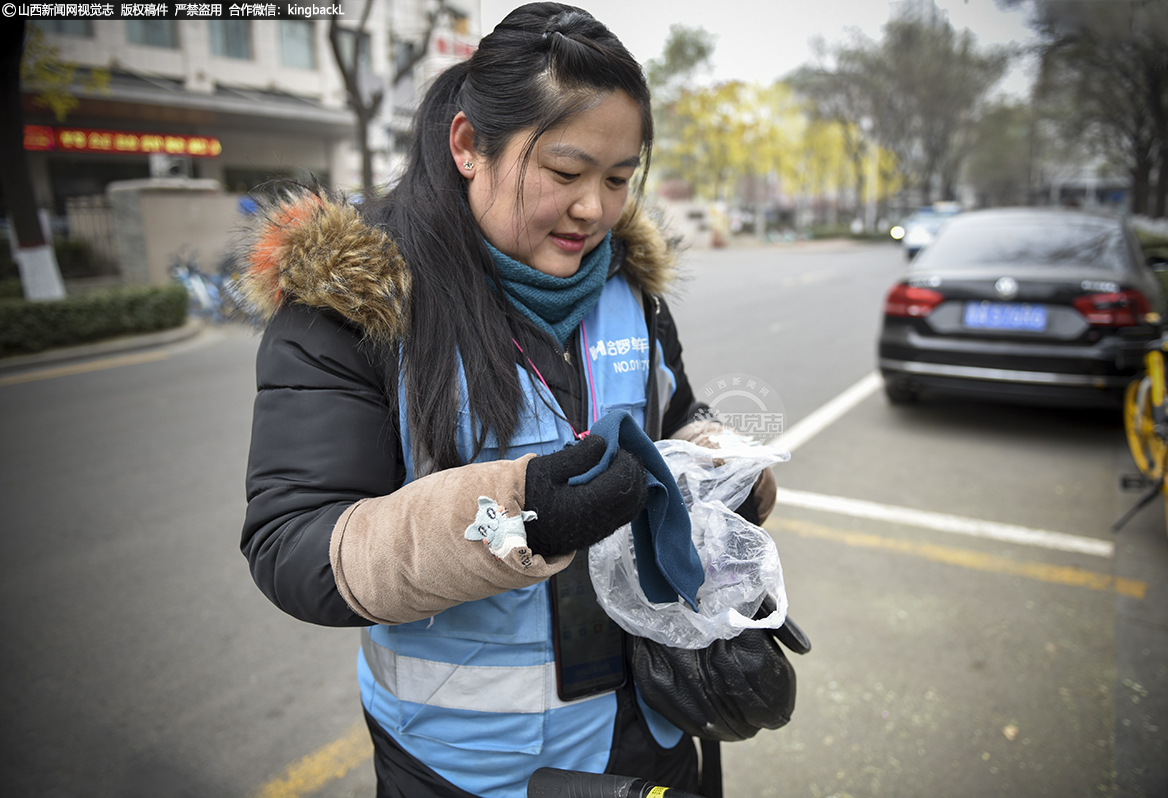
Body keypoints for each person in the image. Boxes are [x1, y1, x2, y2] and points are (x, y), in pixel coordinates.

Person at [235, 4, 775, 797]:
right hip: (469, 764)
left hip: (653, 722)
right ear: (467, 146)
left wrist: (723, 463)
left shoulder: (630, 288)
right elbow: (292, 544)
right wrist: (517, 516)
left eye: (620, 179)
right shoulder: (354, 307)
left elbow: (675, 416)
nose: (595, 209)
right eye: (565, 174)